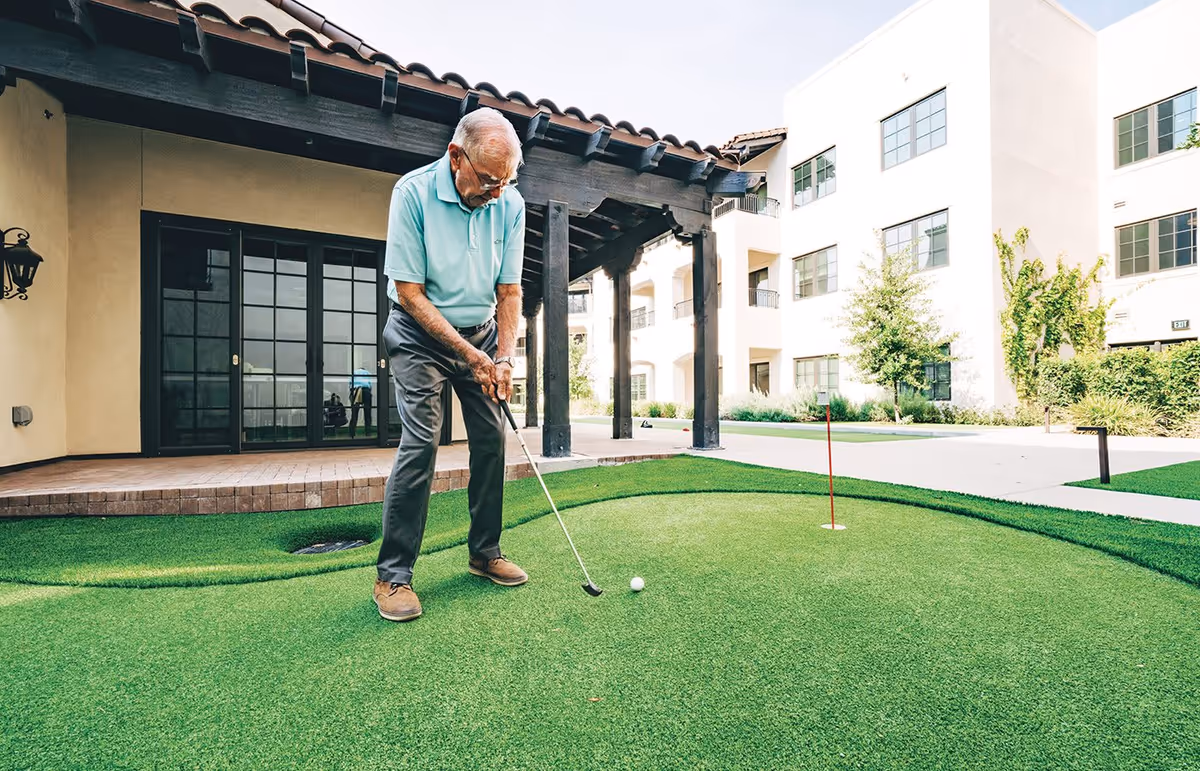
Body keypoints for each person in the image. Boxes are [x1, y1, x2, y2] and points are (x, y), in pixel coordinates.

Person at [374, 107, 527, 622]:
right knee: (422, 441)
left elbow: (509, 291)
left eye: (507, 181)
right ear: (455, 157)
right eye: (488, 181)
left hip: (481, 334)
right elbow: (411, 295)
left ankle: (485, 553)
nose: (497, 193)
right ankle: (392, 577)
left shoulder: (510, 203)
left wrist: (503, 356)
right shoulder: (412, 194)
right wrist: (470, 356)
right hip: (419, 335)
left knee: (491, 437)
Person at [348, 367, 373, 438]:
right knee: (367, 413)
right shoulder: (367, 372)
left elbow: (350, 383)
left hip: (356, 390)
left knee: (354, 414)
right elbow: (370, 383)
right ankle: (368, 433)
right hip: (366, 390)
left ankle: (351, 433)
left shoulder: (354, 372)